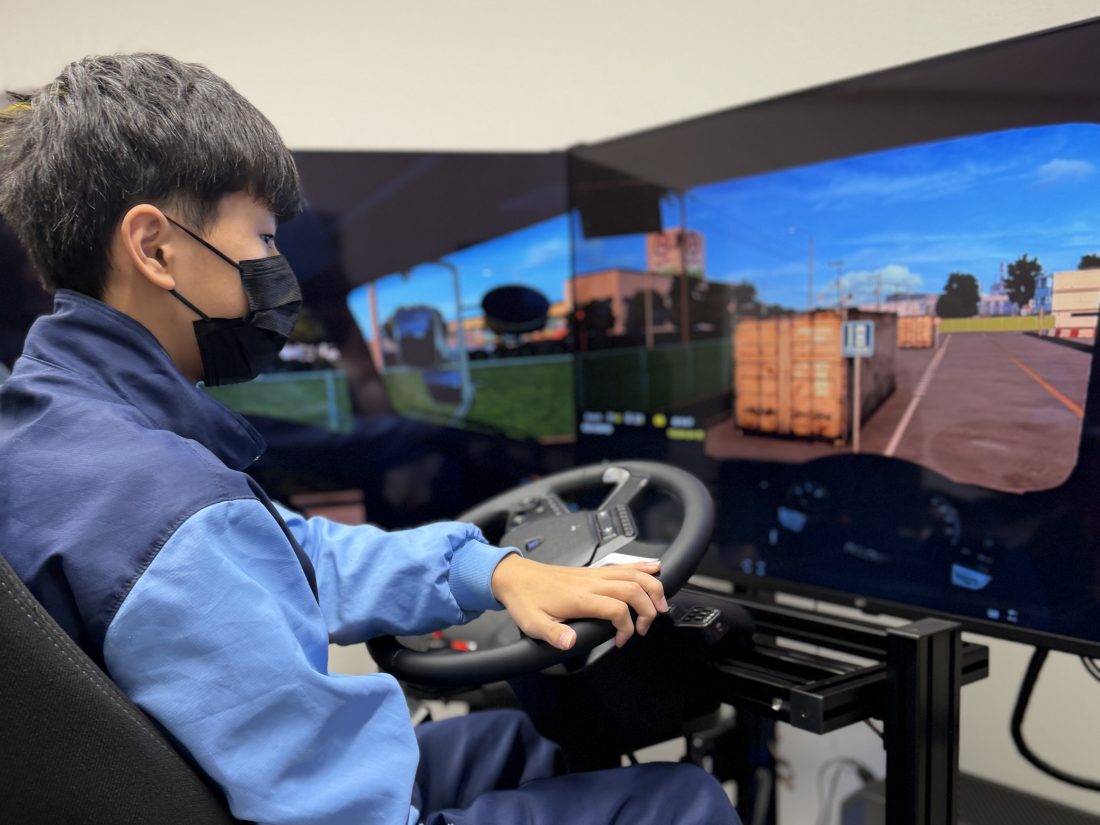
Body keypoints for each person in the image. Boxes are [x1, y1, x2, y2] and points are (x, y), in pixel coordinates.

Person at [0, 55, 740, 825]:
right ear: (155, 249)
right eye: (262, 237)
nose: (275, 267)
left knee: (519, 741)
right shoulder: (163, 504)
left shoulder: (60, 433)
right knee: (678, 799)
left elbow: (295, 555)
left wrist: (491, 568)